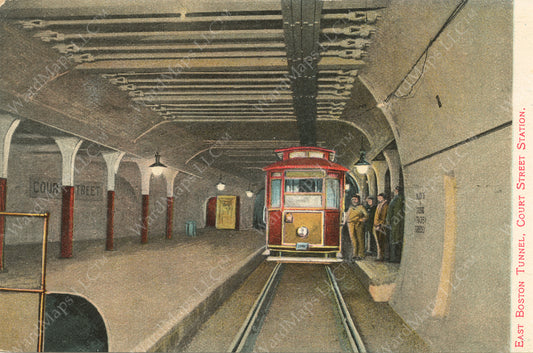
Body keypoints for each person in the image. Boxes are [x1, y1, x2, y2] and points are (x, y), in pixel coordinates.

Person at [344, 195, 368, 261]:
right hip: (350, 224)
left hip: (358, 224)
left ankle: (361, 254)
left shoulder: (361, 207)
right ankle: (355, 254)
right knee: (353, 239)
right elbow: (347, 216)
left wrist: (361, 220)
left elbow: (366, 216)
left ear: (358, 200)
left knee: (360, 239)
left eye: (355, 199)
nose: (354, 201)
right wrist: (345, 222)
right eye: (353, 199)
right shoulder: (350, 208)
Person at [387, 186, 404, 263]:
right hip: (401, 222)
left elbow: (390, 211)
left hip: (394, 222)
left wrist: (388, 221)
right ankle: (398, 258)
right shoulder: (403, 198)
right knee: (399, 239)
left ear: (396, 191)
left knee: (393, 239)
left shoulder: (395, 200)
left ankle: (393, 258)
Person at [373, 193, 389, 261]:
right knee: (379, 242)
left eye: (380, 197)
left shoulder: (386, 206)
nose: (378, 198)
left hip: (382, 226)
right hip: (377, 225)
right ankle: (380, 256)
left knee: (382, 241)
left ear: (383, 198)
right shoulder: (379, 205)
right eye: (378, 197)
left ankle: (382, 256)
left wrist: (379, 224)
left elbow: (384, 216)